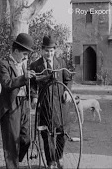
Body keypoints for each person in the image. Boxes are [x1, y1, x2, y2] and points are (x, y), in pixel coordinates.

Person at [30, 35, 72, 169]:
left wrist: (67, 91)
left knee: (62, 132)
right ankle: (50, 162)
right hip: (45, 104)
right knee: (46, 134)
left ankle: (59, 157)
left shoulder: (61, 63)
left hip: (60, 104)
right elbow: (32, 84)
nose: (49, 54)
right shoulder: (35, 65)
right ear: (42, 50)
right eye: (47, 51)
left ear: (55, 50)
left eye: (52, 51)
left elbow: (68, 79)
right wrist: (34, 96)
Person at [0, 33, 36, 169]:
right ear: (16, 51)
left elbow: (27, 84)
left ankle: (14, 161)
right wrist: (23, 77)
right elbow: (7, 83)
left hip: (23, 105)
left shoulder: (23, 65)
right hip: (10, 107)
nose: (26, 57)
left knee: (26, 140)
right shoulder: (4, 64)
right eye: (24, 54)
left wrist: (33, 95)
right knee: (11, 143)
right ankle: (12, 164)